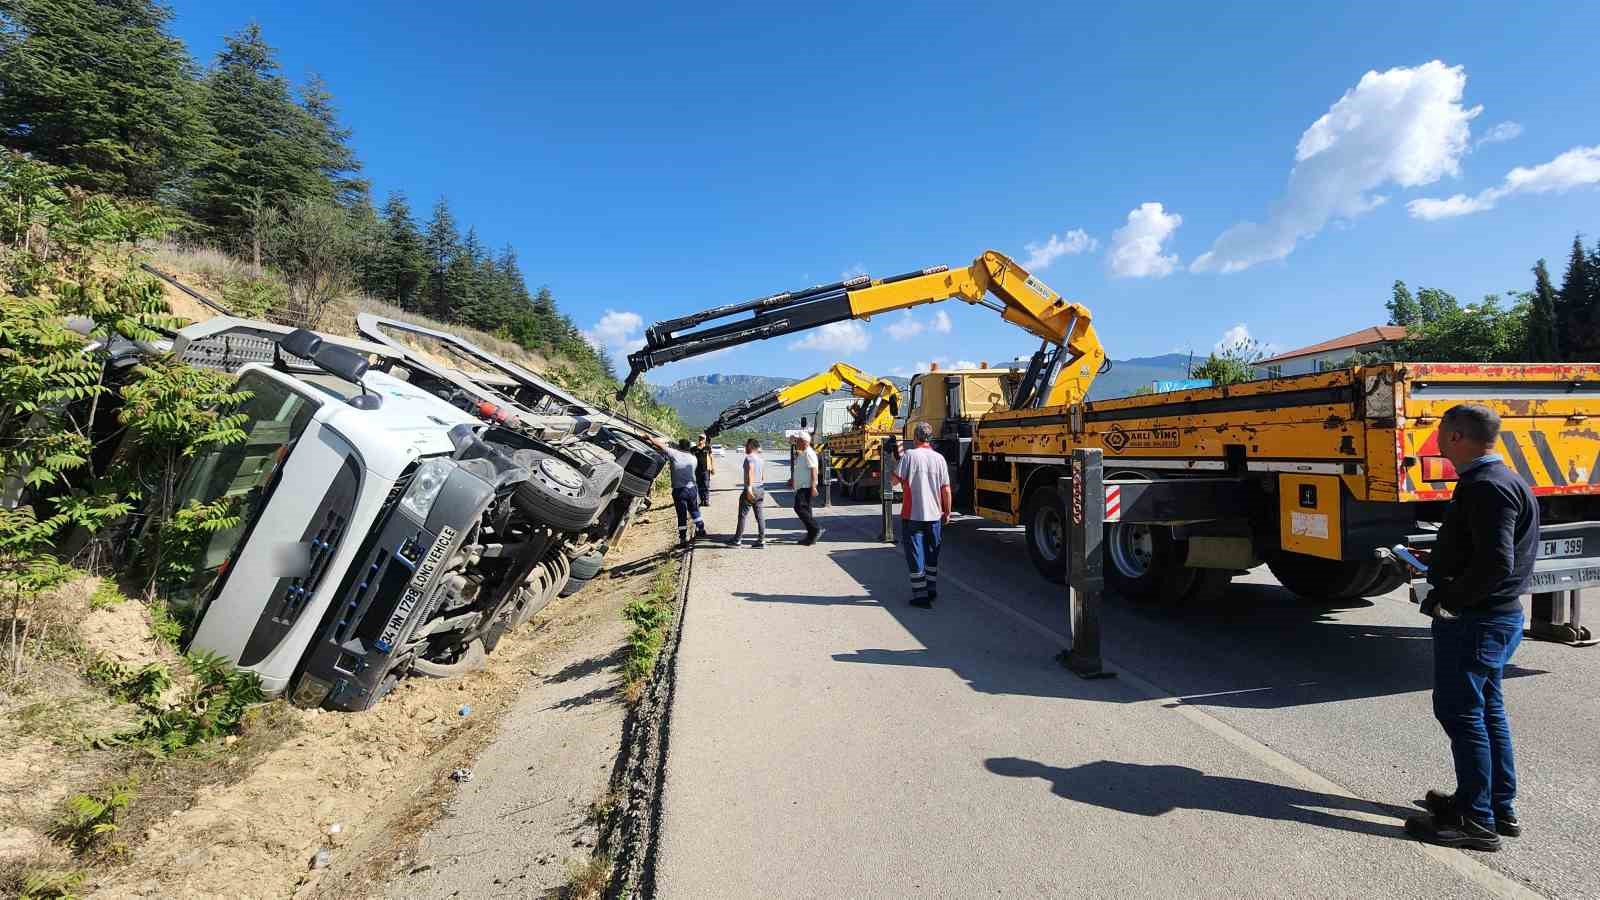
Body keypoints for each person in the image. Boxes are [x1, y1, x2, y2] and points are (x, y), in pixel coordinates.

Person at [1404, 403, 1537, 852]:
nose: (1436, 440)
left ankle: (1476, 821)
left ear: (1457, 437)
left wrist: (1449, 602)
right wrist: (1440, 563)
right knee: (1486, 711)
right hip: (1492, 619)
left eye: (1440, 432)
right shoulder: (1503, 479)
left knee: (1461, 714)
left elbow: (1497, 562)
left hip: (1478, 621)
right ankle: (1494, 804)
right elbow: (1485, 553)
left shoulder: (1487, 487)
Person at [893, 421, 951, 607]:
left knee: (915, 554)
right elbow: (946, 490)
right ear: (930, 437)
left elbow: (894, 481)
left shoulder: (909, 456)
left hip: (913, 515)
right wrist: (947, 512)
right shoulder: (939, 459)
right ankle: (931, 589)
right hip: (934, 515)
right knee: (932, 553)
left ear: (916, 437)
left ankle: (920, 595)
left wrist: (894, 460)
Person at [649, 436, 708, 547]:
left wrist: (649, 437)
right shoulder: (693, 458)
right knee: (694, 510)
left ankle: (682, 540)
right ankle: (701, 529)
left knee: (681, 515)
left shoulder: (674, 454)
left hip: (679, 490)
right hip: (692, 489)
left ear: (679, 447)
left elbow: (659, 445)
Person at [726, 438, 767, 548]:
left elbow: (750, 473)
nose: (745, 447)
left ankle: (737, 540)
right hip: (760, 488)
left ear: (750, 446)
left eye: (746, 445)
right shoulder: (761, 460)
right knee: (760, 516)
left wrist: (749, 489)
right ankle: (761, 540)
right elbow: (763, 477)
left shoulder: (749, 459)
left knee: (742, 515)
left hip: (751, 489)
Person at [791, 432, 822, 545]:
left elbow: (814, 471)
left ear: (804, 442)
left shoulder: (809, 453)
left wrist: (814, 487)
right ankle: (810, 536)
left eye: (798, 441)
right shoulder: (804, 453)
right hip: (802, 486)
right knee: (807, 510)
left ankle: (815, 528)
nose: (796, 443)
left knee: (799, 507)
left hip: (806, 487)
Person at [693, 434, 715, 507]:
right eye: (700, 438)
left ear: (705, 440)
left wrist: (712, 468)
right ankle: (701, 501)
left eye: (702, 438)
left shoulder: (707, 448)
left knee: (706, 485)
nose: (701, 440)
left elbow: (711, 458)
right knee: (699, 486)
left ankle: (706, 501)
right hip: (697, 470)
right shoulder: (694, 449)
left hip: (706, 470)